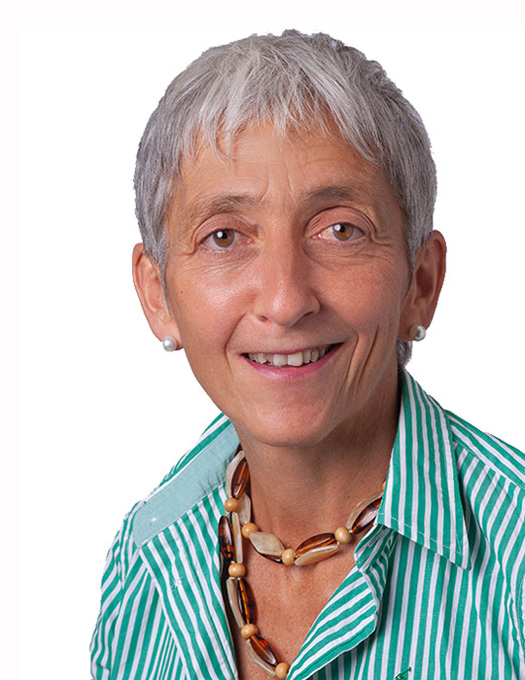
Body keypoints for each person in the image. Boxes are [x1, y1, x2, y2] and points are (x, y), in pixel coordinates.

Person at [90, 30, 525, 680]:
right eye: (224, 236)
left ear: (420, 283)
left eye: (340, 230)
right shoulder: (144, 560)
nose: (285, 300)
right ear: (158, 297)